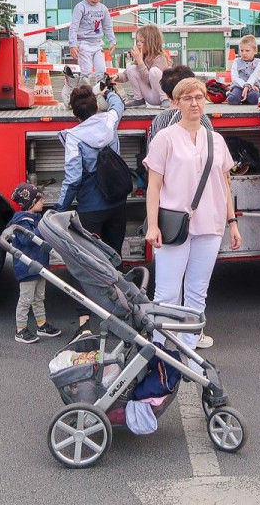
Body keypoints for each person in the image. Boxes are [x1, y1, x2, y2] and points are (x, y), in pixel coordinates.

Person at [143, 77, 242, 351]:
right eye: (187, 98)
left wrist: (232, 222)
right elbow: (154, 185)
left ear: (205, 101)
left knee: (198, 290)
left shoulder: (217, 140)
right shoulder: (165, 137)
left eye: (199, 97)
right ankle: (160, 343)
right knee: (167, 291)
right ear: (176, 103)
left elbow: (224, 183)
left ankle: (190, 340)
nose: (194, 102)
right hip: (174, 224)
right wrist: (153, 225)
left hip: (211, 223)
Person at [58, 79, 127, 338]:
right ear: (96, 107)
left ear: (75, 114)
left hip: (91, 209)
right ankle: (119, 316)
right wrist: (110, 93)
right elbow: (118, 106)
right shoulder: (109, 120)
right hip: (118, 204)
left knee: (84, 263)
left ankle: (85, 321)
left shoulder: (74, 136)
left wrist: (59, 209)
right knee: (114, 259)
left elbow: (73, 179)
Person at [8, 182, 60, 344]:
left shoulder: (35, 218)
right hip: (27, 267)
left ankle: (41, 324)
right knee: (26, 299)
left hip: (39, 266)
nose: (43, 201)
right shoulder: (21, 221)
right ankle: (21, 329)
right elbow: (27, 238)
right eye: (39, 199)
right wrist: (43, 229)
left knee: (39, 297)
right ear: (30, 202)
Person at [147, 66, 213, 146]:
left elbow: (151, 151)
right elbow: (211, 149)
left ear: (167, 95)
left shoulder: (157, 120)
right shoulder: (200, 118)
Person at [67, 0, 115, 79]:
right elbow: (74, 27)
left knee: (101, 70)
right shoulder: (80, 7)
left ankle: (101, 93)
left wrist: (112, 41)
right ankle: (84, 93)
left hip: (97, 45)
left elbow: (107, 26)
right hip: (83, 44)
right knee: (87, 71)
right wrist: (72, 45)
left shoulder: (103, 9)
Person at [121, 24, 170, 106]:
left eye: (142, 41)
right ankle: (139, 100)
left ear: (151, 42)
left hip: (161, 93)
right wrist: (117, 77)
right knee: (132, 69)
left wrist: (140, 62)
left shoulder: (160, 58)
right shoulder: (142, 57)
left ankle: (165, 99)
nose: (138, 44)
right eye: (137, 41)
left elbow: (149, 80)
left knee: (154, 71)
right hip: (151, 97)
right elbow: (126, 74)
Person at [228, 34, 260, 105]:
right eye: (242, 50)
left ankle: (245, 98)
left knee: (254, 98)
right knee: (233, 100)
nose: (244, 53)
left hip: (253, 86)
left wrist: (249, 86)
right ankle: (234, 94)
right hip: (238, 86)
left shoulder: (258, 62)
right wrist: (245, 85)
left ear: (255, 51)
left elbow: (255, 75)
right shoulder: (236, 61)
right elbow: (234, 77)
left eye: (247, 51)